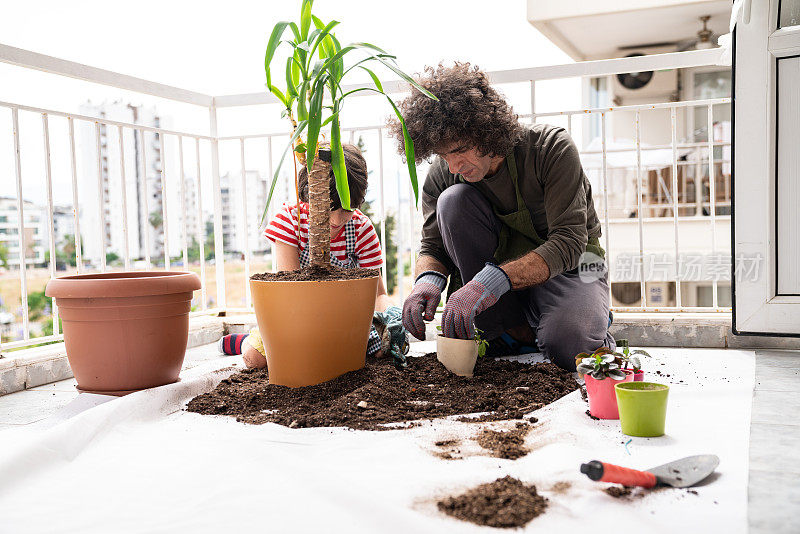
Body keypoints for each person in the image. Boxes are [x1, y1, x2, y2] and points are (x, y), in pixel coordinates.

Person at [387, 63, 614, 371]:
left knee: (570, 345)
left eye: (461, 150)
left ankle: (581, 319)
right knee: (452, 201)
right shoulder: (444, 174)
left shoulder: (550, 149)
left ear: (486, 130)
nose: (454, 167)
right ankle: (510, 328)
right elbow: (433, 247)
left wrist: (487, 284)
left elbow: (570, 242)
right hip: (497, 289)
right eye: (443, 155)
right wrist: (427, 281)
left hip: (573, 269)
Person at [218, 143, 407, 368]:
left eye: (347, 209)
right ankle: (244, 342)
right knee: (255, 358)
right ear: (311, 195)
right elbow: (291, 292)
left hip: (346, 319)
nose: (337, 220)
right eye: (330, 209)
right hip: (296, 316)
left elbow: (377, 295)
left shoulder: (361, 229)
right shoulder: (290, 220)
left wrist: (394, 317)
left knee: (382, 350)